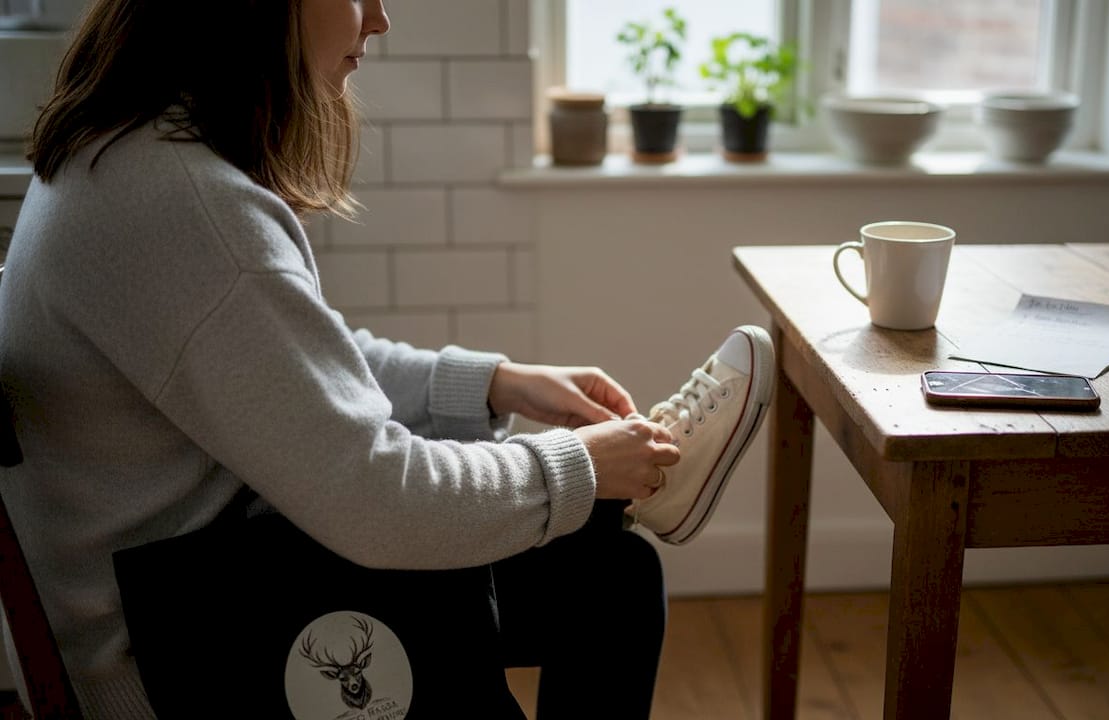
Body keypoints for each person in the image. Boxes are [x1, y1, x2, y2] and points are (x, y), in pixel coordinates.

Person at [0, 0, 774, 718]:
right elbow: (377, 500)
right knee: (600, 571)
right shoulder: (187, 204)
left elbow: (293, 369)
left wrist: (495, 384)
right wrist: (578, 467)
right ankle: (648, 480)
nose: (379, 18)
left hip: (195, 597)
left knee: (608, 575)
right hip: (179, 661)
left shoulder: (129, 154)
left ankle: (637, 486)